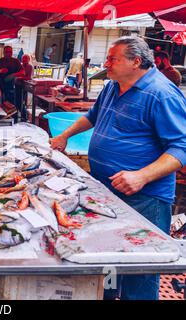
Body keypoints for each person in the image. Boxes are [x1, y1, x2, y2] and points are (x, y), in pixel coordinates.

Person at [50, 36, 186, 300]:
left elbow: (181, 147)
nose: (106, 63)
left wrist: (141, 176)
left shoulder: (161, 93)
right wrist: (64, 135)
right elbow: (93, 116)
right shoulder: (114, 86)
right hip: (107, 191)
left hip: (146, 199)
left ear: (136, 62)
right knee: (109, 259)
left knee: (141, 269)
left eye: (113, 59)